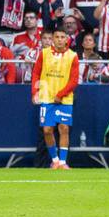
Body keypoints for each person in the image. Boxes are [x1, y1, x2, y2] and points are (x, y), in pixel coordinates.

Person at [31, 29, 79, 170]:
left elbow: (74, 80)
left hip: (65, 99)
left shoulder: (73, 56)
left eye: (62, 37)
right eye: (56, 37)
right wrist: (34, 92)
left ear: (66, 39)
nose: (59, 39)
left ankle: (63, 163)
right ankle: (55, 160)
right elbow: (36, 73)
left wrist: (61, 94)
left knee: (64, 129)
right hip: (46, 97)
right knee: (47, 130)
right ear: (52, 39)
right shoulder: (44, 53)